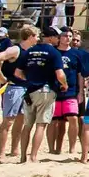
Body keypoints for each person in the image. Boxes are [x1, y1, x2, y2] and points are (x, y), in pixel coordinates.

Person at [11, 26, 68, 164]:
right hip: (45, 90)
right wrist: (65, 85)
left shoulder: (29, 51)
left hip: (30, 91)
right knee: (41, 125)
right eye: (57, 37)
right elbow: (60, 74)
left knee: (27, 125)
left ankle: (23, 157)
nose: (58, 39)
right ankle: (33, 157)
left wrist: (29, 80)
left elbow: (17, 73)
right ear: (51, 38)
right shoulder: (54, 52)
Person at [0, 28, 30, 160]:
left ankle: (14, 150)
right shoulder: (15, 49)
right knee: (8, 120)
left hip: (26, 87)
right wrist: (1, 78)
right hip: (14, 88)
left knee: (21, 119)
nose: (38, 38)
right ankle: (1, 153)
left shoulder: (31, 50)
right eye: (36, 36)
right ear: (30, 36)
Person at [51, 30, 89, 156]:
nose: (68, 38)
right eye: (65, 36)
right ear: (59, 37)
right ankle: (54, 148)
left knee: (73, 118)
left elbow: (80, 74)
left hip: (72, 90)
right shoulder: (53, 52)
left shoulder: (76, 53)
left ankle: (72, 148)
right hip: (54, 90)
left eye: (70, 36)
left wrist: (80, 92)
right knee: (56, 121)